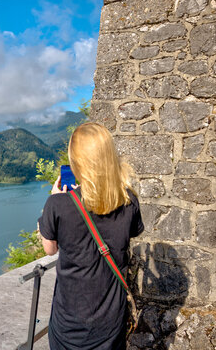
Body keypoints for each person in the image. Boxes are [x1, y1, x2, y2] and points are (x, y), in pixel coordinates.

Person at [38, 122, 144, 350]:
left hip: (69, 324)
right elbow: (132, 231)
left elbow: (50, 249)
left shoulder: (57, 204)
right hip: (110, 323)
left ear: (76, 162)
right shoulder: (129, 200)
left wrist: (54, 200)